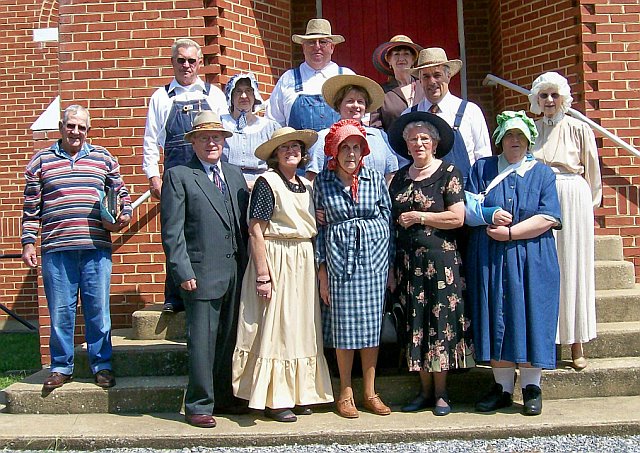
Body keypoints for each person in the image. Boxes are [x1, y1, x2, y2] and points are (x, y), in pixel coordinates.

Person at [21, 105, 132, 392]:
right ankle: (60, 367)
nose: (75, 131)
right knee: (60, 312)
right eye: (70, 126)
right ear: (61, 127)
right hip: (57, 249)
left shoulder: (104, 158)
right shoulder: (40, 161)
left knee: (98, 311)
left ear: (88, 131)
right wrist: (29, 242)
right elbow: (31, 208)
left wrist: (124, 215)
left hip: (96, 249)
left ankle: (102, 365)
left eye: (81, 127)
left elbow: (121, 194)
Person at [232, 127, 334, 423]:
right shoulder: (268, 182)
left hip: (302, 260)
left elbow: (305, 219)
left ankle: (299, 392)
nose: (291, 151)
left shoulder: (306, 185)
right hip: (276, 258)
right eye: (284, 147)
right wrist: (263, 274)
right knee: (277, 328)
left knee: (301, 328)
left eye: (296, 147)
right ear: (275, 154)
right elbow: (256, 230)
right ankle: (275, 398)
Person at [466, 111, 562, 416]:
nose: (515, 140)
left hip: (532, 256)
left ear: (529, 139)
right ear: (499, 139)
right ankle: (502, 388)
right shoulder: (482, 169)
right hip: (491, 257)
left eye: (520, 135)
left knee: (531, 314)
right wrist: (490, 214)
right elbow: (467, 207)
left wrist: (511, 233)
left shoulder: (543, 174)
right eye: (509, 134)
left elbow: (549, 216)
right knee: (496, 314)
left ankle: (532, 387)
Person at [160, 110, 250, 428]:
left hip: (235, 270)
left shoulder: (234, 174)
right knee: (202, 341)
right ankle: (198, 404)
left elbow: (244, 224)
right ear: (193, 142)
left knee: (228, 339)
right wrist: (182, 271)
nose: (211, 143)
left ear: (224, 141)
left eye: (216, 137)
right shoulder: (179, 175)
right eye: (204, 138)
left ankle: (224, 397)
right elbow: (172, 231)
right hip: (200, 273)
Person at [387, 111, 475, 416]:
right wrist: (391, 267)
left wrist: (421, 216)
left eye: (424, 138)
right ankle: (423, 391)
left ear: (435, 144)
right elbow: (391, 222)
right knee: (415, 325)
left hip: (441, 264)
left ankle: (441, 393)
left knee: (440, 326)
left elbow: (457, 217)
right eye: (413, 139)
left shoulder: (449, 172)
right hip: (407, 263)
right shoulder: (399, 178)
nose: (419, 143)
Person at [314, 119, 394, 419]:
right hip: (339, 260)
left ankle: (370, 392)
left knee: (371, 327)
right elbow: (318, 230)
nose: (351, 153)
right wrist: (322, 272)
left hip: (374, 260)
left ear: (364, 151)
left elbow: (387, 221)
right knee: (344, 327)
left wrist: (389, 266)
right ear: (334, 151)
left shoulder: (374, 178)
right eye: (345, 147)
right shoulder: (323, 182)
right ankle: (345, 391)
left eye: (356, 147)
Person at [143, 38, 227, 313]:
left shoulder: (214, 95)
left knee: (208, 228)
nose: (187, 65)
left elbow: (224, 138)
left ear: (200, 63)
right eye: (181, 60)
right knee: (175, 230)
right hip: (175, 172)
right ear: (173, 63)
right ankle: (174, 296)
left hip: (208, 171)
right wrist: (153, 176)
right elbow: (150, 140)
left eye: (192, 60)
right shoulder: (161, 97)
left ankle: (215, 286)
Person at [528, 72, 602, 370]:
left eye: (554, 95)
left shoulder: (579, 128)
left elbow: (592, 172)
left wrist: (589, 205)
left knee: (573, 267)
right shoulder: (531, 130)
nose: (549, 100)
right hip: (540, 197)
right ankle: (545, 341)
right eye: (543, 95)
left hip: (572, 196)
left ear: (563, 98)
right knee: (545, 267)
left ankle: (576, 342)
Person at [403, 47, 492, 182]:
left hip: (465, 191)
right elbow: (403, 162)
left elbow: (483, 158)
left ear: (448, 76)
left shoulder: (470, 112)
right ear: (420, 80)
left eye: (437, 75)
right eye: (426, 77)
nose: (432, 82)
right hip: (420, 191)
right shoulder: (408, 116)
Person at [305, 74, 402, 183]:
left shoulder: (380, 136)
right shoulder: (324, 137)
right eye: (350, 101)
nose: (356, 105)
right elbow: (312, 178)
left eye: (360, 101)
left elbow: (391, 174)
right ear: (339, 105)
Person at [265, 18, 355, 131]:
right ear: (303, 47)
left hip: (341, 143)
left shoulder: (346, 77)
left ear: (332, 47)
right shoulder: (288, 78)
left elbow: (363, 120)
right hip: (297, 143)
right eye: (311, 42)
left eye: (323, 42)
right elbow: (273, 123)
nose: (317, 47)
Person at [221, 72, 280, 189]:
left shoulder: (270, 127)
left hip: (262, 186)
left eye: (248, 91)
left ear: (255, 95)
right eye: (238, 91)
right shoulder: (220, 124)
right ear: (231, 96)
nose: (244, 96)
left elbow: (279, 162)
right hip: (228, 186)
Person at [369, 35, 425, 132]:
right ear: (389, 60)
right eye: (396, 54)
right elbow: (376, 129)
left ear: (413, 60)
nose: (401, 58)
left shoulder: (424, 86)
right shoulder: (380, 92)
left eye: (406, 54)